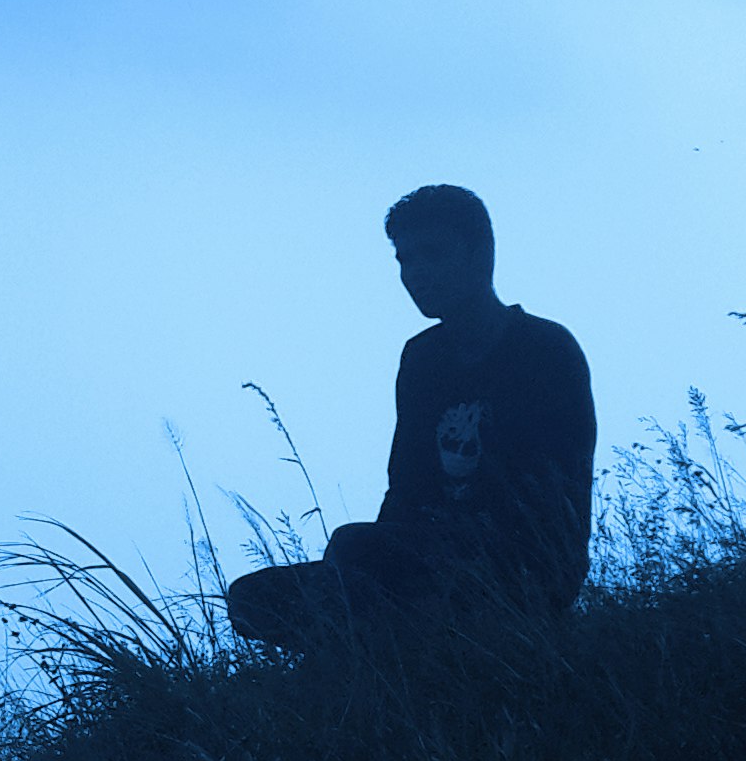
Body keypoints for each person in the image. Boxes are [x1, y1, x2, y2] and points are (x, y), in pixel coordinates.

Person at [227, 184, 597, 651]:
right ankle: (382, 655)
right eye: (404, 260)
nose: (416, 273)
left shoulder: (544, 349)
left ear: (482, 254)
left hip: (521, 565)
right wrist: (374, 560)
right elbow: (406, 485)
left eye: (432, 254)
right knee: (252, 598)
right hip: (426, 558)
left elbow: (555, 494)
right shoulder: (423, 359)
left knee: (352, 551)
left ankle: (391, 656)